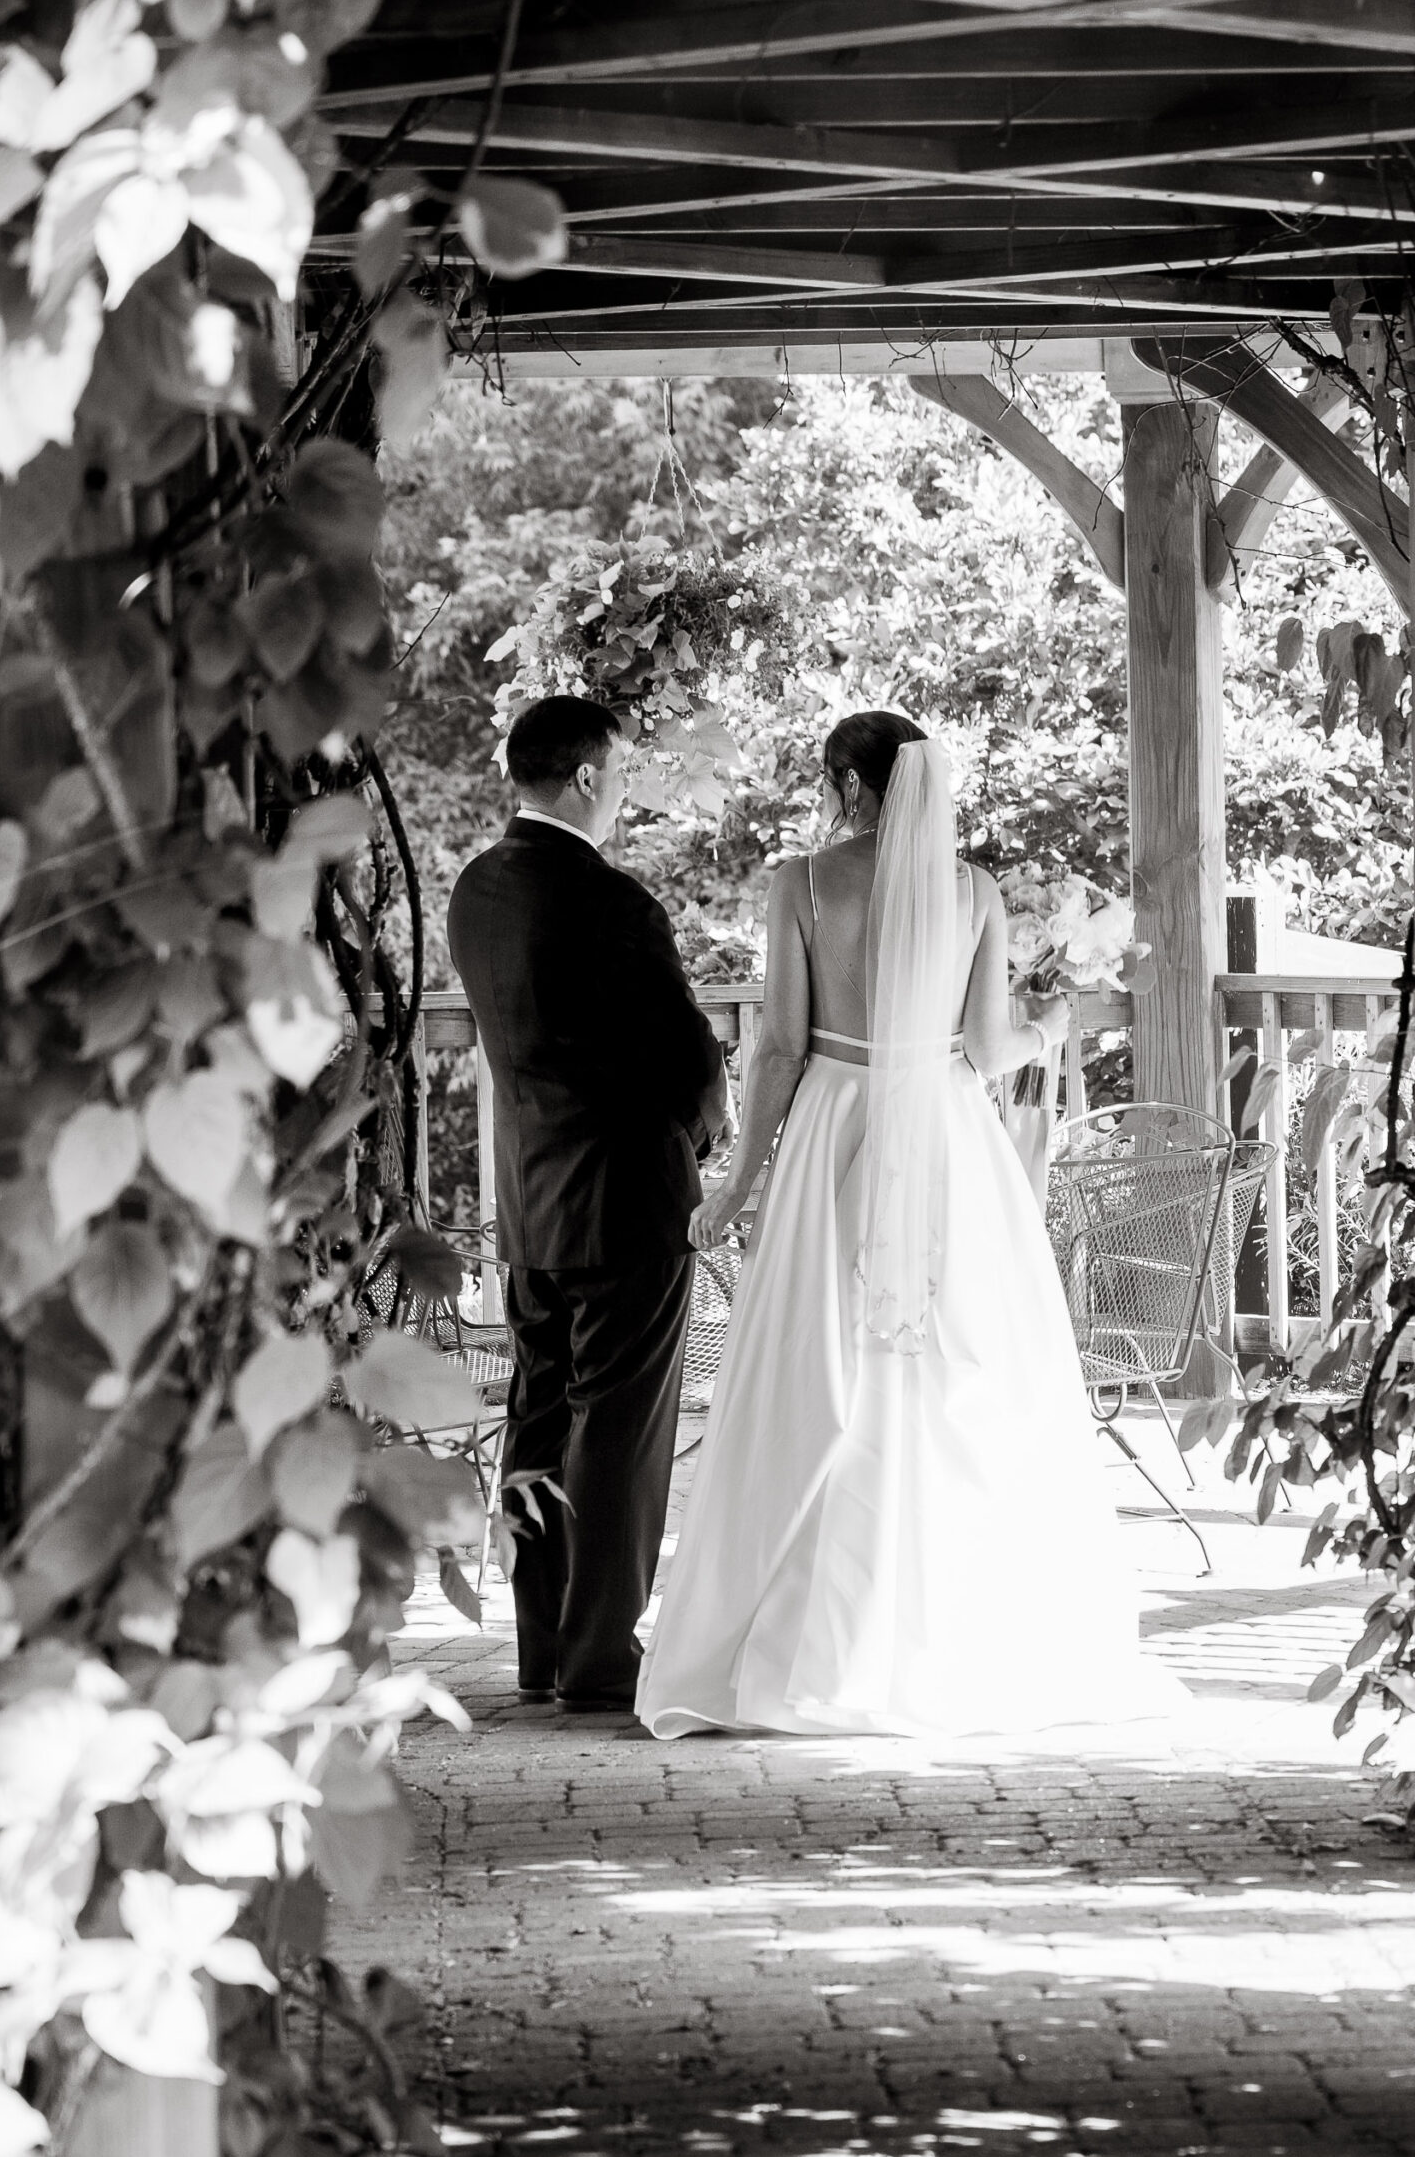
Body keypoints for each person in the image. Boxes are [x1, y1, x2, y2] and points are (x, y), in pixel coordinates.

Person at [637, 711, 1190, 1738]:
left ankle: (799, 1638)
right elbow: (984, 1047)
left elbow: (779, 1049)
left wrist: (738, 1181)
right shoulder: (972, 891)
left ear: (849, 784)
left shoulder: (801, 885)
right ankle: (954, 1640)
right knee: (951, 1370)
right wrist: (1050, 1024)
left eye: (826, 782)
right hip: (947, 1136)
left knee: (822, 1364)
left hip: (833, 1128)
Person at [448, 695, 729, 1713]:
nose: (622, 790)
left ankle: (543, 1651)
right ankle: (601, 1659)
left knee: (537, 1417)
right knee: (616, 1430)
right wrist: (704, 1136)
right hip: (625, 1201)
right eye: (619, 772)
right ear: (583, 779)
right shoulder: (612, 903)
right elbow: (688, 1057)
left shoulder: (474, 889)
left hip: (530, 1201)